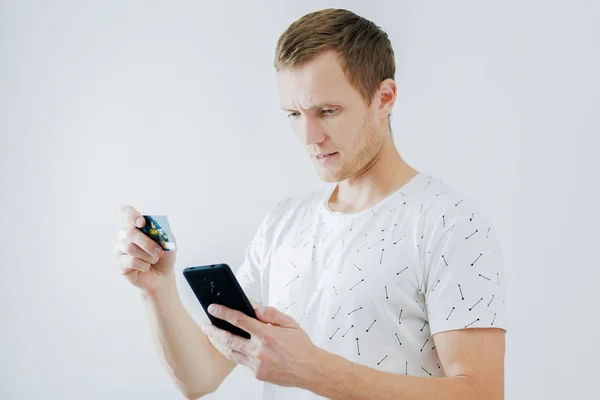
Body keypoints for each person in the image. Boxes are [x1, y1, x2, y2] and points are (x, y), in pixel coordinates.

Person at [114, 8, 507, 400]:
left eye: (327, 111)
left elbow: (482, 394)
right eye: (294, 114)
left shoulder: (450, 223)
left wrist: (312, 370)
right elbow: (199, 378)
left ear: (384, 98)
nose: (309, 136)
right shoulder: (284, 222)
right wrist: (157, 289)